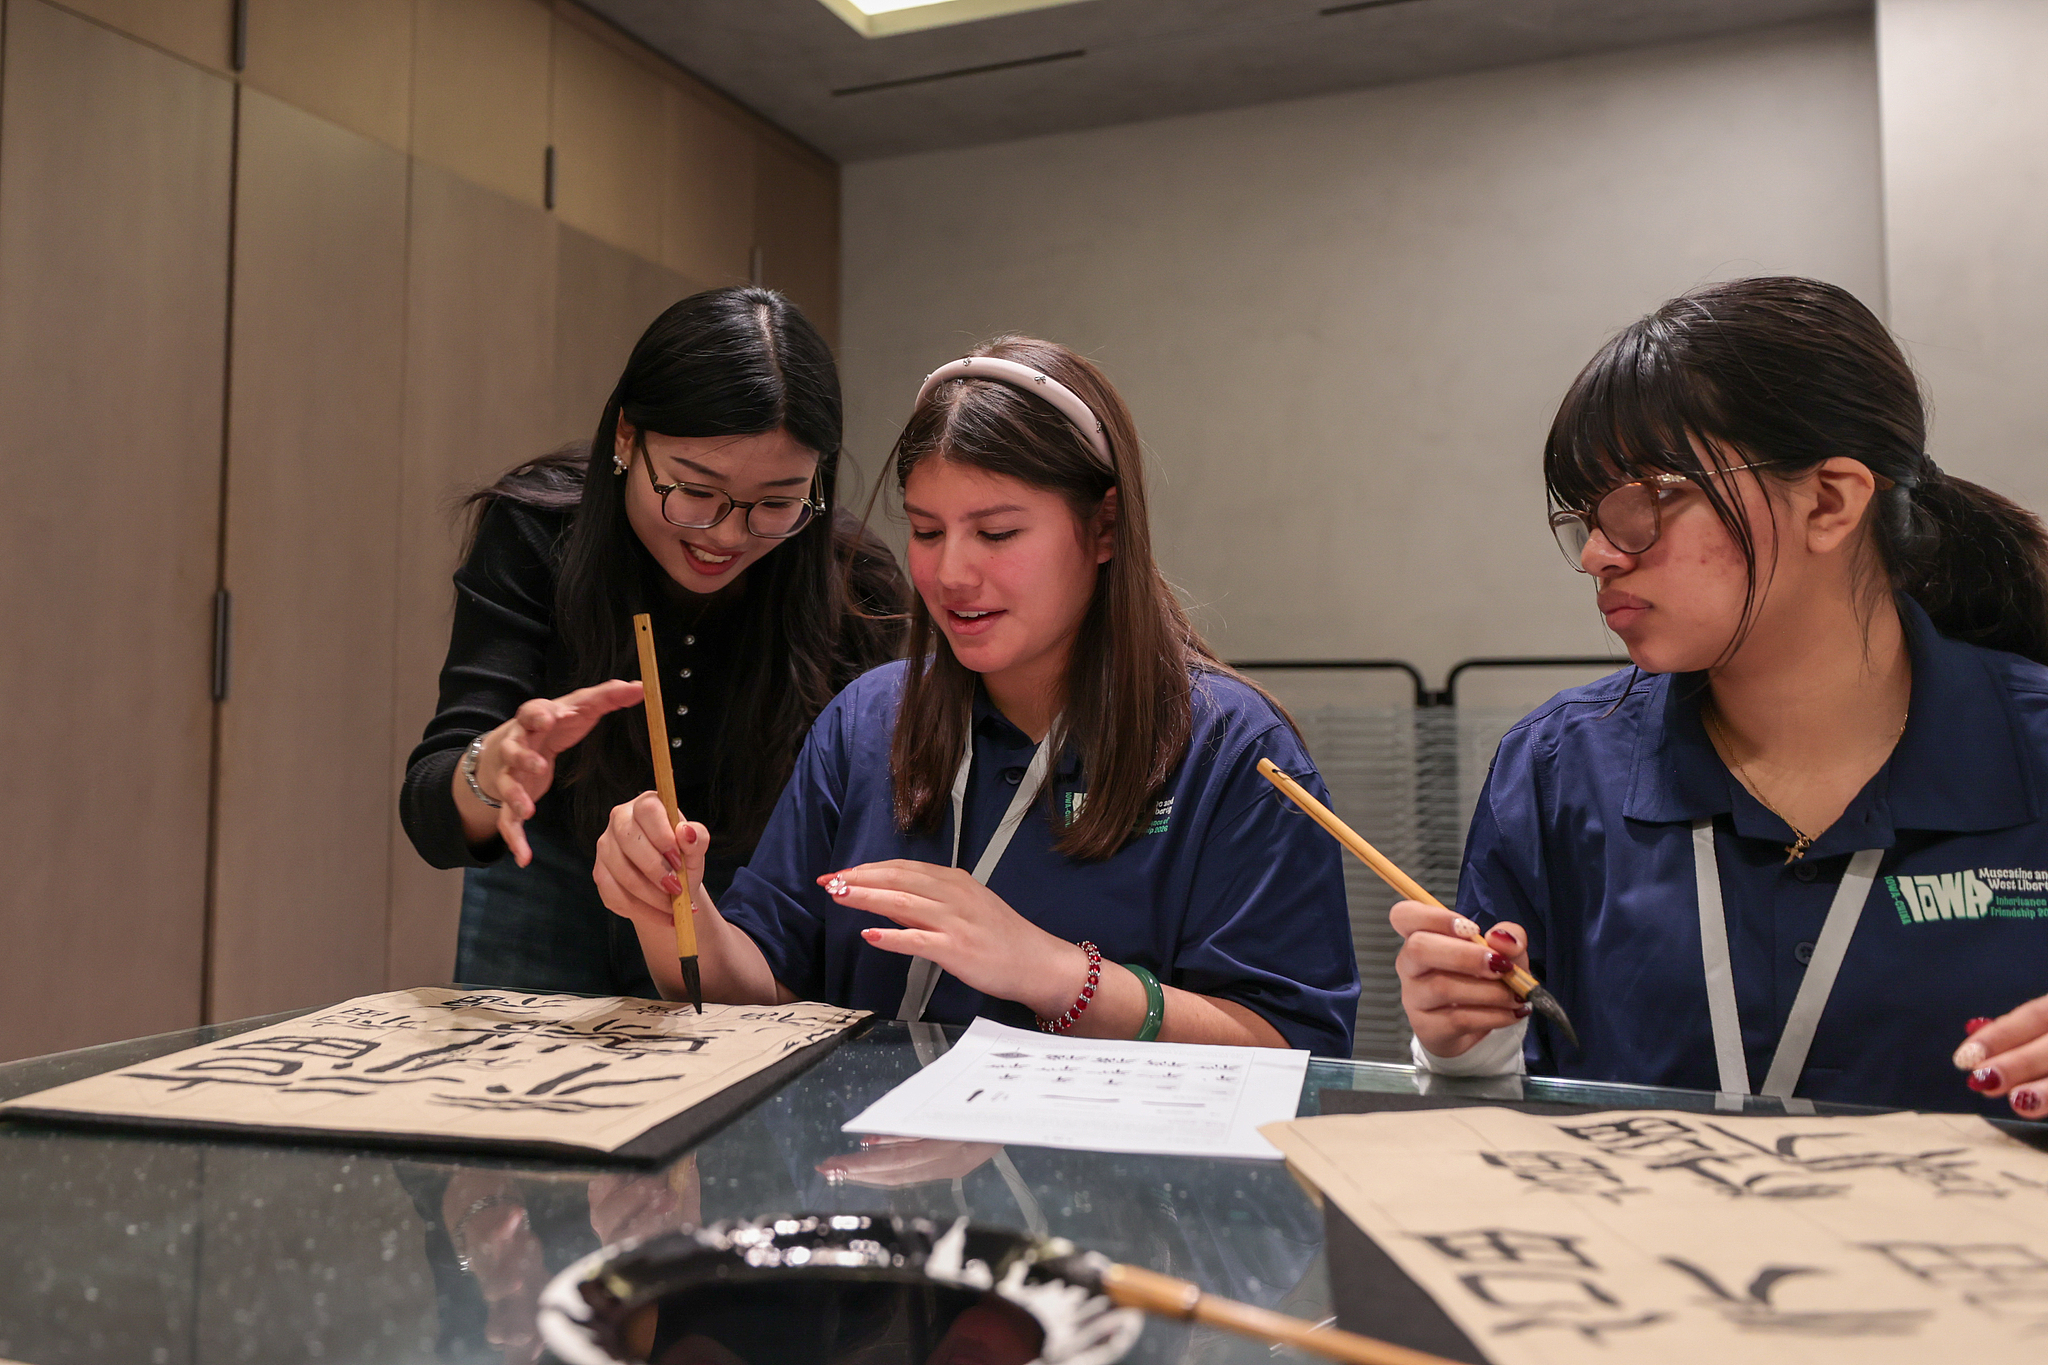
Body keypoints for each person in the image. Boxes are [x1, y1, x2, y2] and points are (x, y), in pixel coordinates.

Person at [1394, 276, 2048, 1113]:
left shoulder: (2029, 745)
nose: (1597, 553)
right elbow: (1501, 1114)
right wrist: (1464, 1044)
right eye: (1586, 516)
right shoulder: (1559, 767)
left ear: (1829, 500)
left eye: (1648, 500)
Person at [595, 337, 1359, 1054]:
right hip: (870, 1151)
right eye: (927, 532)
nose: (952, 574)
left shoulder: (1231, 749)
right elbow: (761, 991)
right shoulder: (866, 721)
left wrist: (1060, 975)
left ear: (1105, 527)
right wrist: (670, 908)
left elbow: (1300, 1048)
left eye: (996, 534)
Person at [399, 287, 904, 996]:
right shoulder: (538, 534)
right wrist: (492, 769)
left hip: (737, 896)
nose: (727, 534)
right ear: (627, 436)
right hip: (551, 869)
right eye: (696, 491)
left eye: (777, 502)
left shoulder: (858, 588)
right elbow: (431, 814)